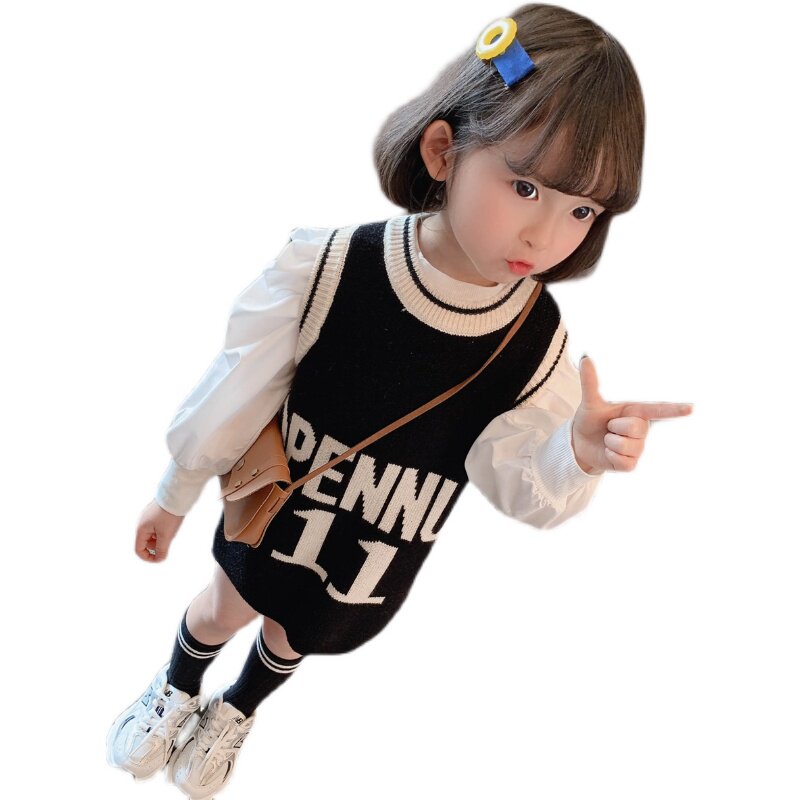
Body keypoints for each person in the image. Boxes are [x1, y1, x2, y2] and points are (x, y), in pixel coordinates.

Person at [106, 5, 693, 798]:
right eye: (525, 186)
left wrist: (574, 454)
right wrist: (174, 493)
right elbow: (235, 391)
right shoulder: (330, 267)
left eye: (582, 210)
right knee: (224, 608)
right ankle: (176, 685)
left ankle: (236, 709)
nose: (547, 235)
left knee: (294, 634)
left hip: (372, 552)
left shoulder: (536, 342)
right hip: (276, 512)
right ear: (444, 150)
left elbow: (513, 475)